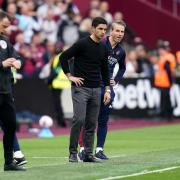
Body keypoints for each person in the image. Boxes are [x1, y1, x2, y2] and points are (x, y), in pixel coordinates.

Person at [60, 17, 111, 163]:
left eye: (104, 29)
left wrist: (107, 89)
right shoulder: (82, 43)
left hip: (96, 89)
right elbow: (63, 57)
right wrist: (70, 76)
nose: (102, 32)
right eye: (100, 29)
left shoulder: (103, 48)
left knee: (91, 123)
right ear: (92, 28)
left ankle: (88, 154)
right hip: (80, 88)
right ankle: (72, 153)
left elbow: (105, 70)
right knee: (79, 119)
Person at [78, 21, 126, 160]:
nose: (120, 34)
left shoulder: (120, 51)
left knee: (103, 120)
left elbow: (122, 68)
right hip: (92, 84)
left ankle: (99, 149)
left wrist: (115, 80)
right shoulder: (99, 44)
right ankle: (82, 149)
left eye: (122, 32)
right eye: (117, 31)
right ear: (110, 31)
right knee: (88, 119)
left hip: (107, 87)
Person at [0, 10, 25, 171]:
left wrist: (17, 62)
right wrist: (2, 64)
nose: (6, 29)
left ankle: (9, 162)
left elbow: (17, 57)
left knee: (10, 125)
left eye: (8, 26)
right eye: (4, 26)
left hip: (5, 91)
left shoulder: (5, 40)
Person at [154, 42, 176, 121]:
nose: (159, 52)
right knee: (165, 98)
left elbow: (168, 70)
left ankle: (167, 116)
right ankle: (167, 115)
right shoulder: (165, 57)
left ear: (163, 50)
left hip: (166, 82)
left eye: (160, 50)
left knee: (166, 99)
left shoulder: (167, 57)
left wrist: (170, 82)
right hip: (164, 82)